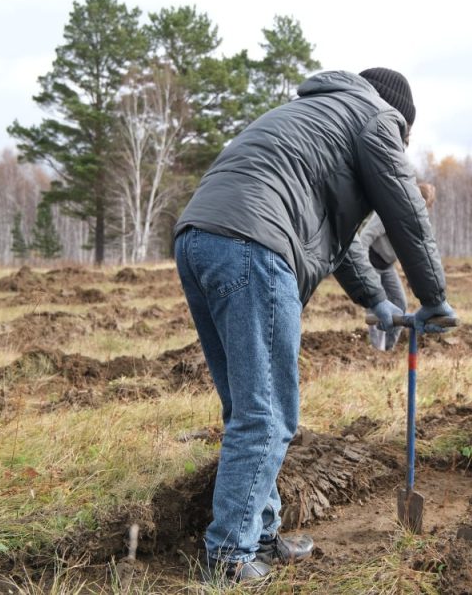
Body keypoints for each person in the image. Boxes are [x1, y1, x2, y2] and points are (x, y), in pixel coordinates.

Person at [173, 68, 457, 583]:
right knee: (268, 412)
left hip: (199, 237)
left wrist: (376, 300)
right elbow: (406, 211)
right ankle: (229, 557)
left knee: (247, 404)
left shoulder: (320, 115)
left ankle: (259, 533)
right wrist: (434, 297)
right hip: (252, 243)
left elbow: (342, 241)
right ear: (401, 121)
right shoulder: (377, 120)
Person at [362, 182, 438, 351]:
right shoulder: (389, 212)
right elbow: (364, 238)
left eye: (427, 208)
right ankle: (377, 351)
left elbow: (412, 253)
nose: (424, 212)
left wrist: (415, 279)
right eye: (422, 207)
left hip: (388, 266)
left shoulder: (415, 222)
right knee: (376, 306)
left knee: (400, 304)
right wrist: (364, 269)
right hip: (370, 262)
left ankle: (389, 350)